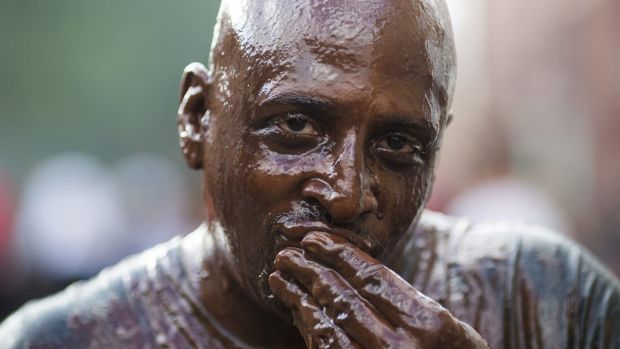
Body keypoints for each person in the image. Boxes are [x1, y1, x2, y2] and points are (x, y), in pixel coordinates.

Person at [1, 0, 618, 347]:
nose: (348, 194)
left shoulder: (551, 302)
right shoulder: (60, 343)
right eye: (295, 128)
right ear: (198, 120)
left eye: (399, 143)